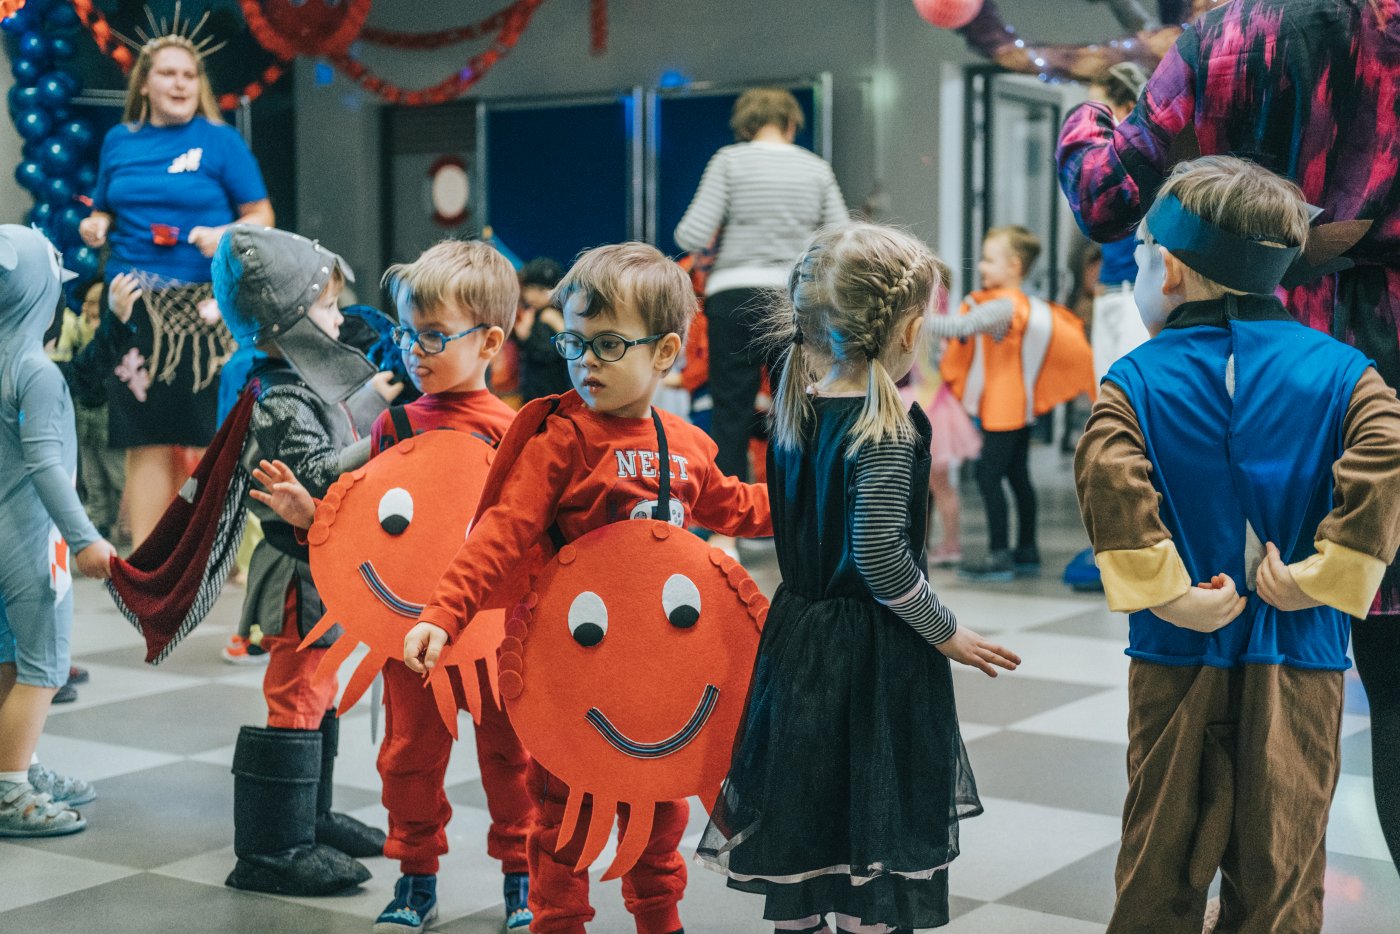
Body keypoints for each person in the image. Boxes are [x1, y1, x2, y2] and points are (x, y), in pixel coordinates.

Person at [1057, 0, 1400, 874]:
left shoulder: (1226, 38)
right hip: (1374, 388)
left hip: (1238, 395)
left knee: (1209, 686)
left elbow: (1105, 194)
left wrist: (1086, 111)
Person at [403, 242, 773, 934]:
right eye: (574, 342)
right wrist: (444, 613)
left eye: (607, 345)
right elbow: (501, 536)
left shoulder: (686, 447)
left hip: (657, 679)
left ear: (665, 352)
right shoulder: (561, 441)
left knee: (661, 814)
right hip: (572, 677)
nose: (585, 362)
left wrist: (815, 499)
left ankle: (660, 921)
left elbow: (737, 506)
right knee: (562, 825)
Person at [696, 223, 1020, 933]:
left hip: (799, 635)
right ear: (908, 329)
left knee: (806, 816)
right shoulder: (890, 428)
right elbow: (880, 560)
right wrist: (948, 634)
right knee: (873, 826)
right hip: (872, 654)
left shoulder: (794, 410)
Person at [254, 240, 536, 933]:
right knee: (408, 758)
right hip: (413, 632)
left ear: (491, 341)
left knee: (514, 759)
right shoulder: (394, 426)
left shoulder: (518, 434)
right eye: (408, 333)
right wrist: (309, 515)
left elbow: (538, 536)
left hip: (499, 636)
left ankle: (522, 882)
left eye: (435, 335)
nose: (414, 350)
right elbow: (364, 532)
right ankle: (416, 880)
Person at [211, 225, 396, 896]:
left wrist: (380, 400)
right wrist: (385, 435)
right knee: (296, 694)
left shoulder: (300, 383)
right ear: (286, 319)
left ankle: (309, 819)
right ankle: (272, 848)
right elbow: (316, 472)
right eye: (324, 307)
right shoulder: (282, 394)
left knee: (318, 690)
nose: (339, 317)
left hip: (325, 565)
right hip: (297, 573)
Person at [78, 33, 274, 548]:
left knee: (213, 439)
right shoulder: (120, 140)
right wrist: (95, 225)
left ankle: (207, 556)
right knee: (144, 439)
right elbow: (104, 206)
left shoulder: (220, 140)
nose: (180, 83)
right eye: (168, 73)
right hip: (133, 306)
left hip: (204, 311)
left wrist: (224, 233)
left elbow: (261, 215)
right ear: (144, 83)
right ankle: (148, 561)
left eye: (189, 75)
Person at [674, 87, 848, 553]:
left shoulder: (729, 161)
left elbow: (689, 233)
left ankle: (726, 532)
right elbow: (842, 237)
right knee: (798, 410)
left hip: (732, 293)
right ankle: (801, 521)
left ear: (746, 125)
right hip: (792, 298)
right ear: (791, 124)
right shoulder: (815, 168)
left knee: (729, 413)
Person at [0, 226, 118, 836]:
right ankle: (11, 790)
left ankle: (17, 764)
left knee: (7, 657)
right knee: (44, 664)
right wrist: (84, 540)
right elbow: (48, 466)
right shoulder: (35, 371)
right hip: (27, 540)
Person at [944, 226, 1095, 582]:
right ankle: (1026, 550)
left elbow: (958, 328)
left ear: (1014, 265)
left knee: (987, 476)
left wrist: (916, 321)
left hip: (1003, 409)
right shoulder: (1023, 304)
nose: (981, 266)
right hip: (1019, 407)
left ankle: (999, 555)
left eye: (988, 259)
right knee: (1017, 478)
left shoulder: (1001, 307)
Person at [1084, 64, 1150, 382]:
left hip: (1137, 293)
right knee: (1105, 390)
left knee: (1130, 392)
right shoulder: (1103, 160)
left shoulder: (1148, 156)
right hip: (1110, 288)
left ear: (1125, 108)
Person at [50, 281, 128, 542]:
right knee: (92, 478)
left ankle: (117, 524)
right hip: (85, 418)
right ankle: (99, 525)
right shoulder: (79, 332)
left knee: (115, 476)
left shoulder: (98, 339)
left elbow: (85, 370)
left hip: (106, 420)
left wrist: (113, 323)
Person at [513, 257, 573, 403]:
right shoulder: (530, 314)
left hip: (552, 394)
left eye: (541, 290)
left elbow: (548, 354)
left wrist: (526, 337)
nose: (533, 295)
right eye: (530, 288)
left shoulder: (552, 315)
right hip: (532, 392)